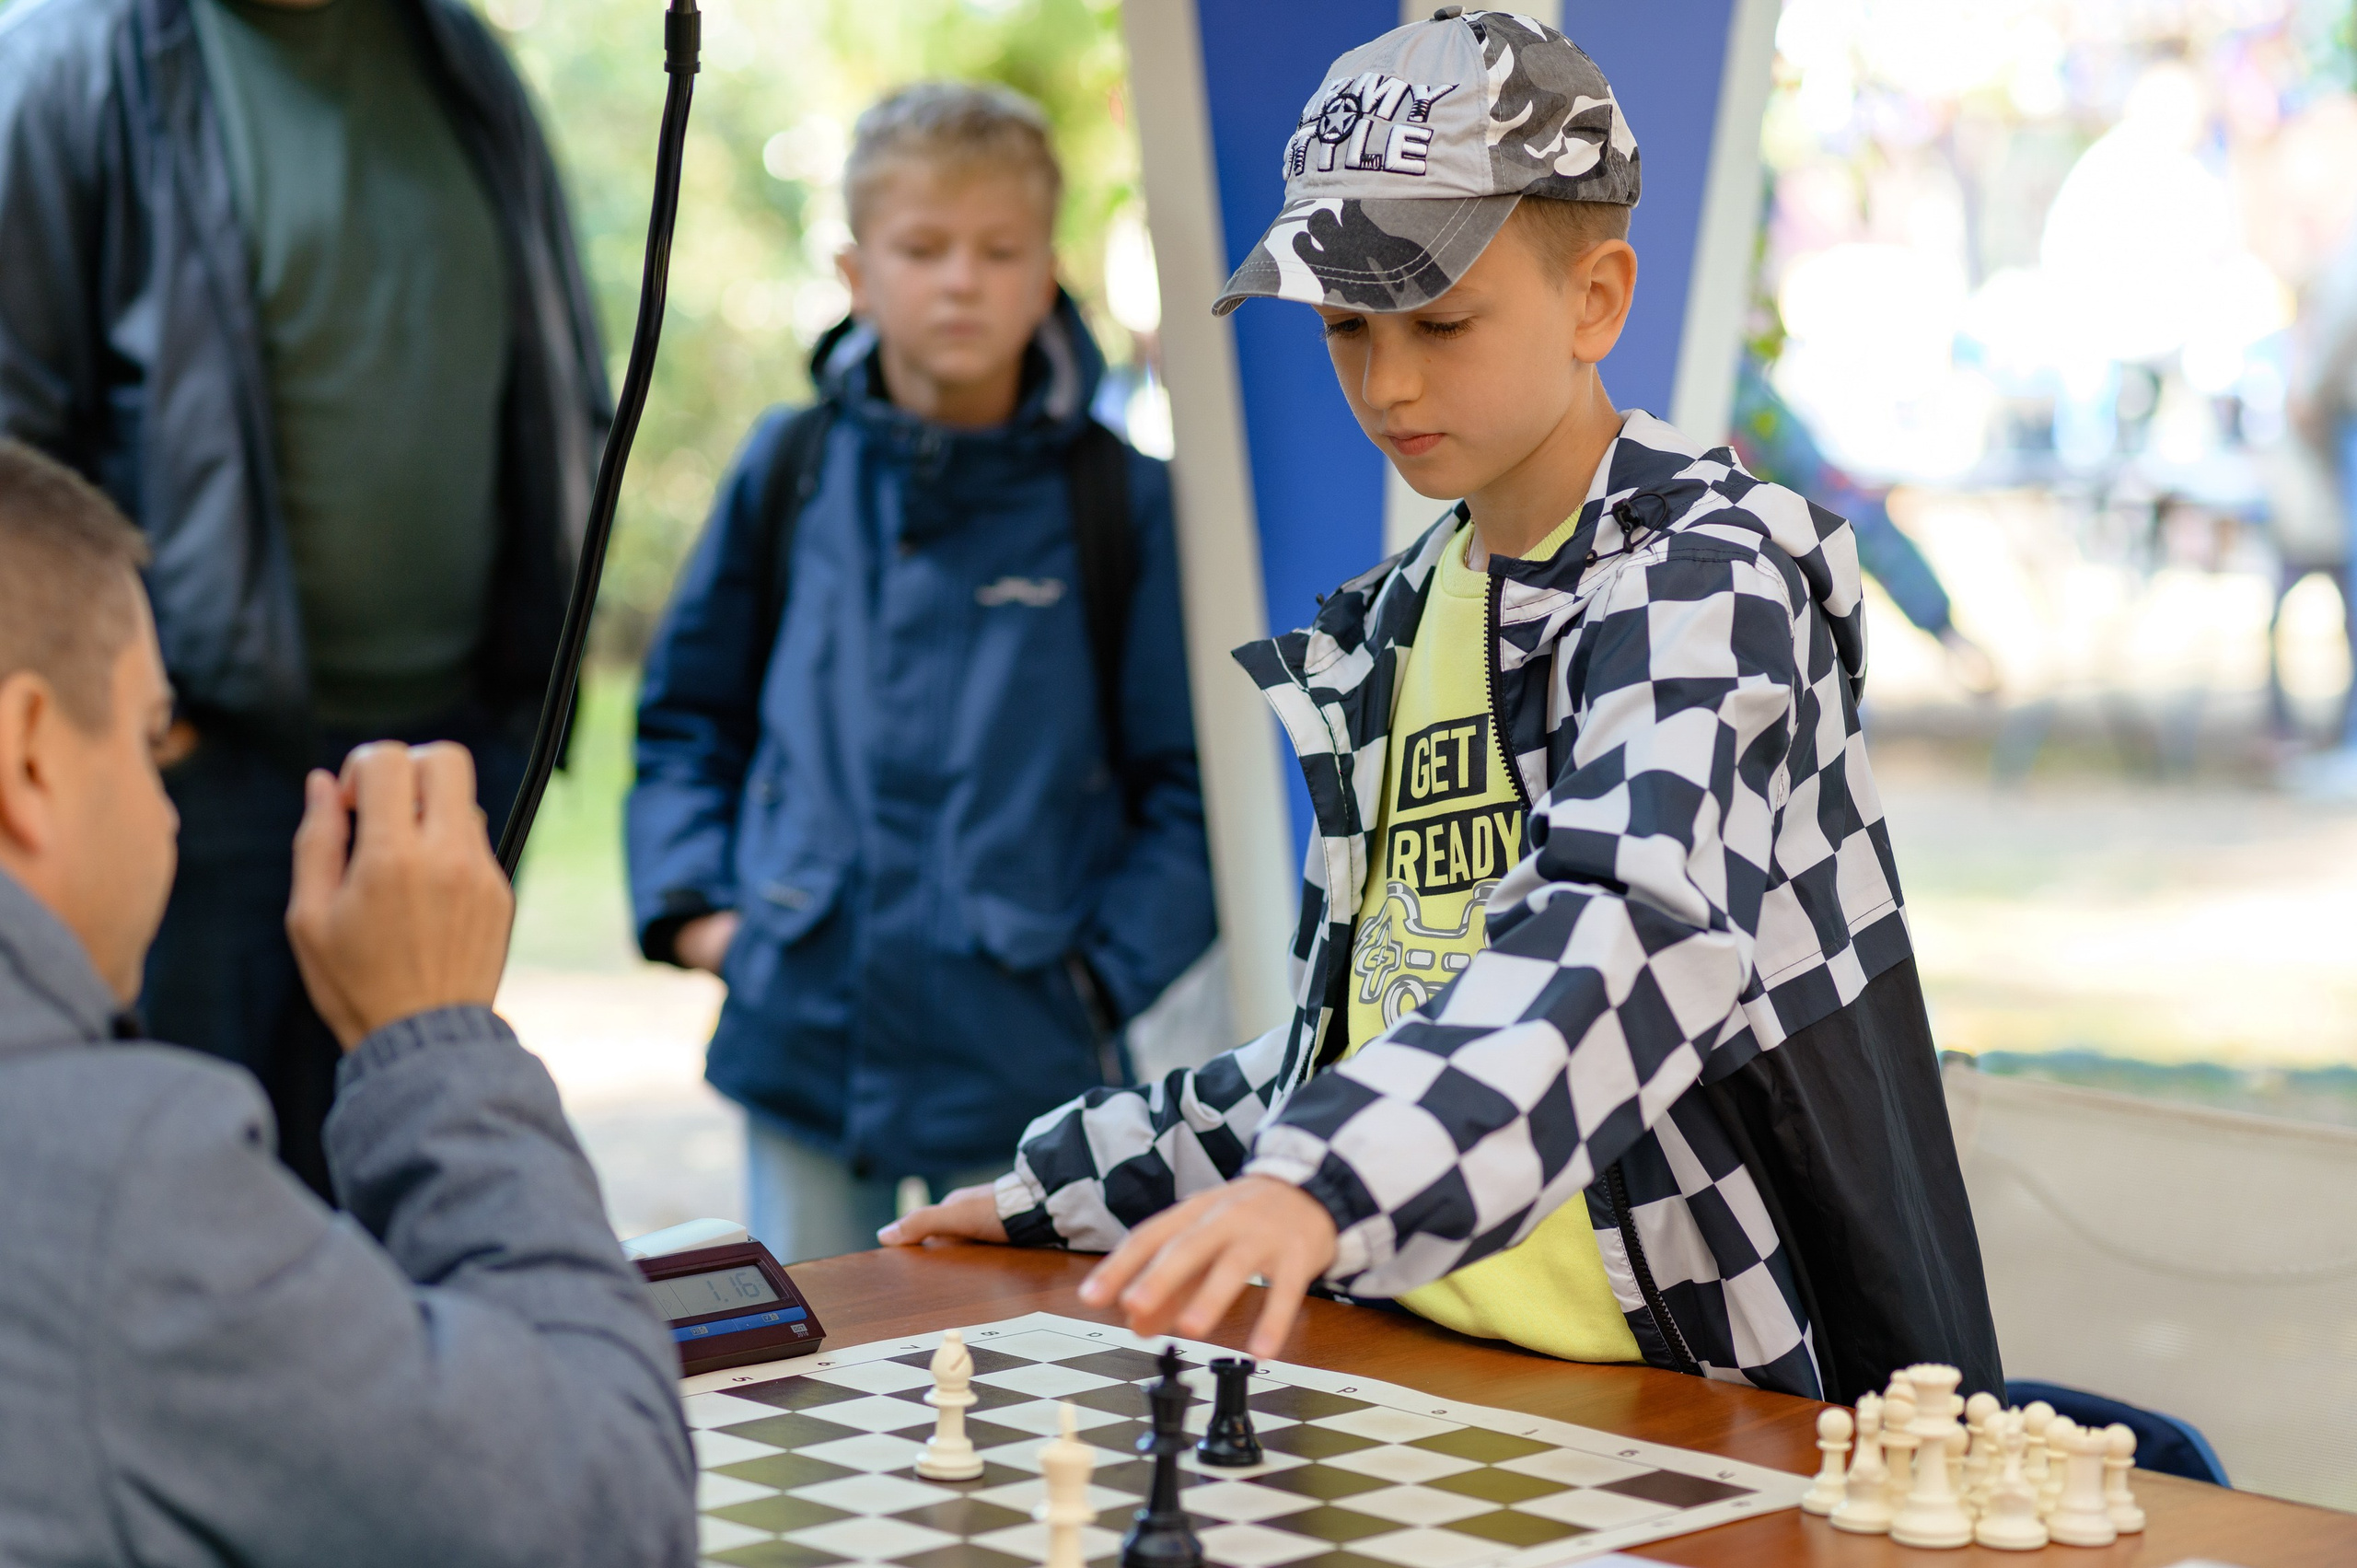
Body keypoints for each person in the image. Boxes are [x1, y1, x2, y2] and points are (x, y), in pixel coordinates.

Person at [888, 12, 2000, 1407]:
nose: (1389, 381)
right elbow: (1351, 1040)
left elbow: (1627, 931)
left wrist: (1324, 1181)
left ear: (1597, 300)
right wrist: (1071, 1181)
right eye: (1348, 326)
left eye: (1442, 320)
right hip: (1411, 1369)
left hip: (1707, 1396)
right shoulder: (1399, 613)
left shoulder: (1709, 577)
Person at [0, 441, 692, 1565]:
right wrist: (433, 1041)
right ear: (29, 755)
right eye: (146, 741)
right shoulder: (119, 1179)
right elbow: (605, 1502)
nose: (168, 814)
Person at [0, 0, 608, 1197]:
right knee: (191, 1204)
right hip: (188, 765)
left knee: (414, 1177)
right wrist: (131, 700)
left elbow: (557, 356)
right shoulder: (66, 66)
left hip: (450, 750)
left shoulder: (459, 53)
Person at [628, 84, 1215, 1264]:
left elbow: (1190, 784)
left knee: (1010, 1410)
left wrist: (1095, 980)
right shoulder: (787, 467)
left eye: (998, 251)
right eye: (922, 248)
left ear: (1047, 267)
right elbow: (688, 715)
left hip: (1025, 1060)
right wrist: (711, 918)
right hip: (803, 1031)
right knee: (795, 1392)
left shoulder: (1121, 501)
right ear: (855, 271)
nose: (961, 280)